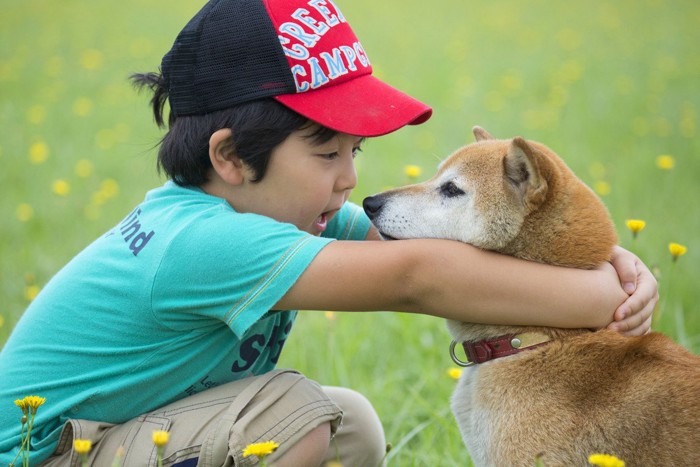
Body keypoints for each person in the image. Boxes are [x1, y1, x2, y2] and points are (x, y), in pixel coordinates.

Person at [0, 0, 658, 465]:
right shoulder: (203, 242)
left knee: (350, 427)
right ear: (230, 158)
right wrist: (602, 297)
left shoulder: (268, 211)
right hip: (51, 453)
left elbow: (438, 249)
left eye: (355, 152)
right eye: (326, 154)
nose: (348, 180)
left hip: (110, 435)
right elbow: (417, 276)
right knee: (290, 416)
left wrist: (599, 255)